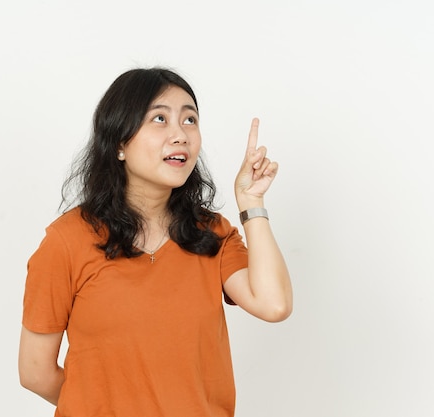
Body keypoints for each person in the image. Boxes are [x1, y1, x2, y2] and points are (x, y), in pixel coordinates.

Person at [18, 67, 293, 417]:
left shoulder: (211, 234)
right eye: (160, 118)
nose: (180, 135)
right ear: (119, 143)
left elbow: (274, 305)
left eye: (189, 119)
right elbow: (35, 372)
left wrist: (252, 203)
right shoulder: (67, 241)